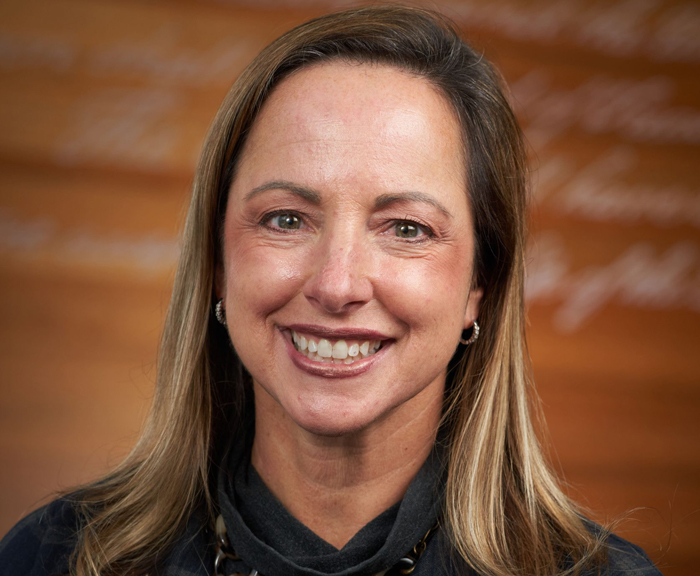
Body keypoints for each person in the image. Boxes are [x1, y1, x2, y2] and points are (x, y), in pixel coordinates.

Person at [0, 5, 662, 576]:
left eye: (406, 227)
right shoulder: (54, 557)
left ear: (477, 287)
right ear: (219, 264)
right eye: (286, 219)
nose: (337, 284)